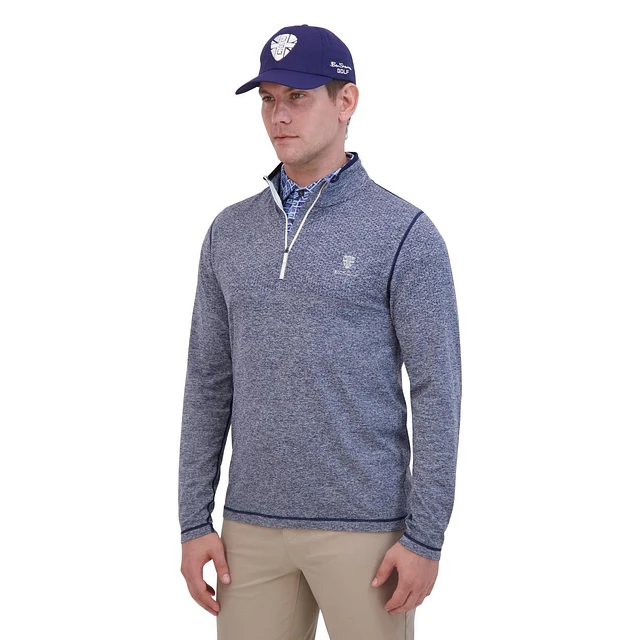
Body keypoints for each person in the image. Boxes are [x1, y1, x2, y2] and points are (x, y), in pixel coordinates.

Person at [178, 23, 462, 640]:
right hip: (249, 530)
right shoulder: (229, 233)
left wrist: (425, 536)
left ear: (346, 101)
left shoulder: (404, 233)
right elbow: (207, 383)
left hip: (367, 532)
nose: (278, 115)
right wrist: (193, 520)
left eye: (298, 97)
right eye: (268, 99)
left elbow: (438, 391)